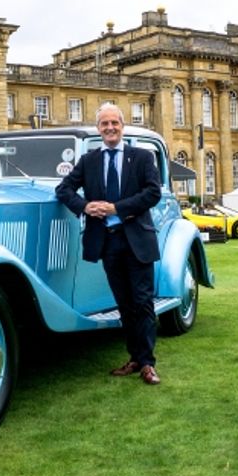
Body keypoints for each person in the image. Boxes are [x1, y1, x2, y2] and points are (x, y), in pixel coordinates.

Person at [56, 103, 163, 385]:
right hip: (108, 243)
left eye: (114, 123)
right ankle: (134, 358)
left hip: (137, 240)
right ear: (98, 129)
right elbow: (63, 189)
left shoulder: (141, 157)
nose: (110, 128)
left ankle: (148, 364)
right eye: (104, 124)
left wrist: (117, 208)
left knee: (143, 303)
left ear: (122, 126)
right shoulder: (89, 160)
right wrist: (85, 206)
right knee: (125, 305)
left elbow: (153, 193)